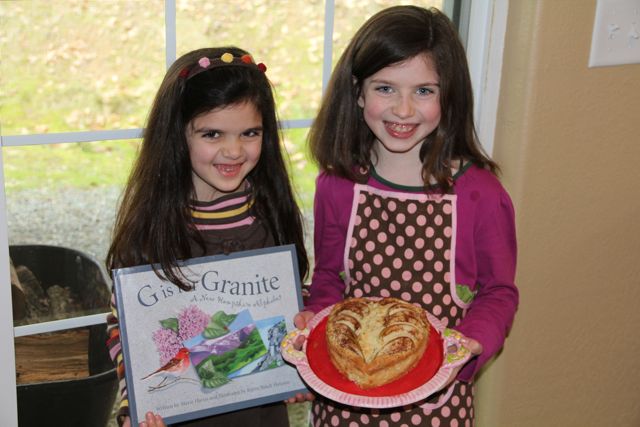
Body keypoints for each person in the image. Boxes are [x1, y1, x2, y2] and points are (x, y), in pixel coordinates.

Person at [292, 6, 518, 426]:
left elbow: (499, 291)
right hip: (345, 403)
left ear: (449, 95)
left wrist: (473, 344)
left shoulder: (480, 194)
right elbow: (328, 277)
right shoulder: (337, 185)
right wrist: (316, 322)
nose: (403, 109)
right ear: (358, 92)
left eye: (424, 91)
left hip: (438, 406)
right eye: (385, 88)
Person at [106, 46, 309, 427]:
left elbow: (291, 297)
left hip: (261, 414)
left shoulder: (271, 212)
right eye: (212, 133)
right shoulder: (154, 225)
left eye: (250, 133)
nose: (233, 151)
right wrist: (133, 402)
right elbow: (123, 325)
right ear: (177, 134)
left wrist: (297, 356)